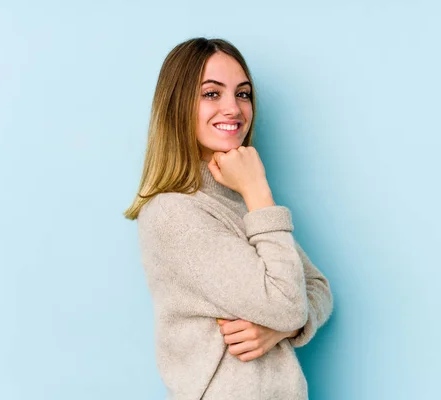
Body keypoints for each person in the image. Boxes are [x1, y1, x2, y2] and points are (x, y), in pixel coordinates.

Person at [124, 37, 333, 400]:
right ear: (177, 105)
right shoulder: (174, 213)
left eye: (243, 93)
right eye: (211, 94)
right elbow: (288, 303)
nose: (233, 108)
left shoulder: (234, 198)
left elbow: (316, 287)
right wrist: (258, 190)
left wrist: (283, 329)